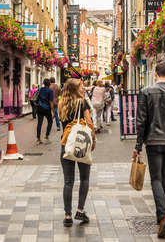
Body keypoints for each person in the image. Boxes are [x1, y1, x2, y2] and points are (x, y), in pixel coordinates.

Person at [133, 61, 165, 239]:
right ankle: (160, 213)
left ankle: (163, 215)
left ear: (155, 74)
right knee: (164, 176)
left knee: (155, 177)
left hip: (153, 140)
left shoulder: (146, 92)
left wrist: (138, 146)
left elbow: (141, 121)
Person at [59, 78, 96, 227]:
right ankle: (80, 210)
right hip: (81, 143)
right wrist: (94, 139)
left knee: (68, 181)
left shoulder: (62, 104)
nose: (84, 89)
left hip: (66, 144)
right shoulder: (82, 102)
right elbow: (89, 123)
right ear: (75, 89)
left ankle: (67, 215)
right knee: (84, 178)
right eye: (81, 86)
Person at [36, 79, 54, 144]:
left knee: (39, 123)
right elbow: (51, 102)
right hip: (46, 108)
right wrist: (53, 112)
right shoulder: (50, 91)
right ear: (49, 84)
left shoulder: (40, 89)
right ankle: (46, 137)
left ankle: (38, 139)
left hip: (39, 107)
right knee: (50, 121)